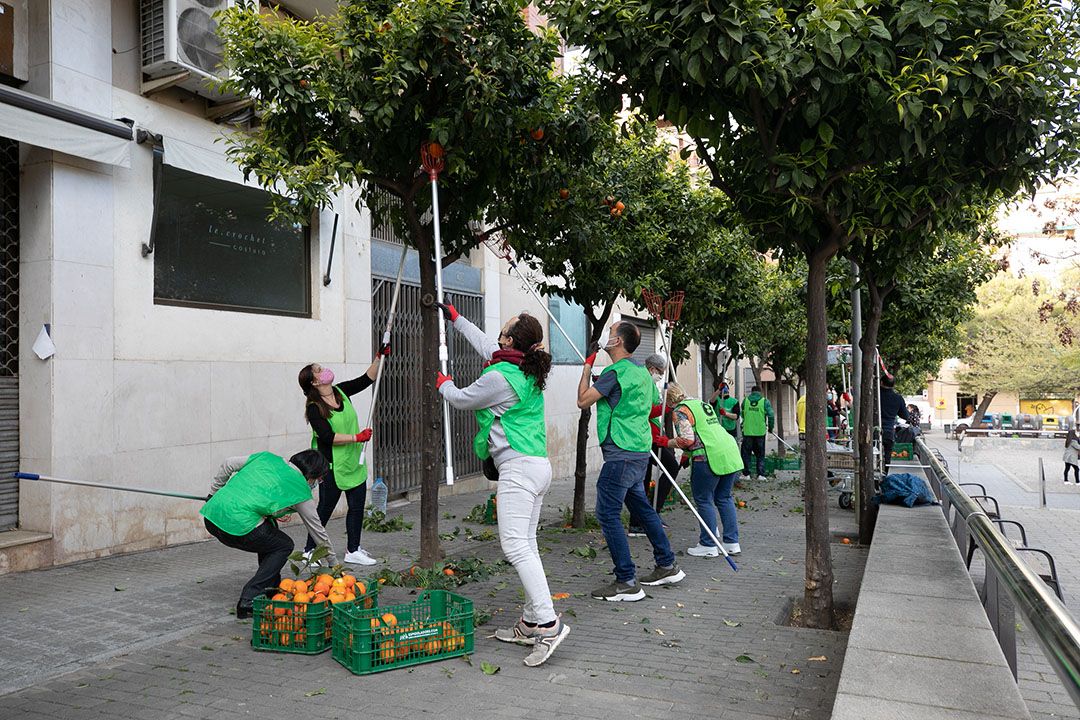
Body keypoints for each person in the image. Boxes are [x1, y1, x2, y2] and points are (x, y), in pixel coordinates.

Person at [436, 303, 569, 667]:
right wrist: (456, 318)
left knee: (515, 547)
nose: (497, 335)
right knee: (527, 545)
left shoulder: (499, 377)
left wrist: (444, 385)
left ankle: (547, 623)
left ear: (511, 340)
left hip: (519, 469)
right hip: (536, 465)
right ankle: (529, 623)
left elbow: (464, 399)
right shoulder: (521, 367)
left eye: (503, 330)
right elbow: (485, 346)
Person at [577, 320, 685, 601]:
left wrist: (588, 366)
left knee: (607, 513)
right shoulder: (641, 374)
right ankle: (666, 563)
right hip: (639, 451)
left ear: (619, 342)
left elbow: (582, 400)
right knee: (642, 506)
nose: (606, 336)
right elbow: (649, 406)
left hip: (620, 453)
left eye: (610, 333)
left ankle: (626, 580)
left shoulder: (614, 373)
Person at [201, 449, 337, 619]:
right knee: (283, 545)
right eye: (318, 479)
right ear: (311, 475)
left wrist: (213, 493)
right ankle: (248, 599)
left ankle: (271, 589)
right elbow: (317, 531)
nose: (317, 483)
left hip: (211, 516)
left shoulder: (266, 458)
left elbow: (228, 463)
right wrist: (334, 565)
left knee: (271, 534)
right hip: (238, 527)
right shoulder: (300, 488)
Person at [297, 350, 387, 567]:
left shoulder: (340, 392)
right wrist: (357, 437)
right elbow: (327, 437)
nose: (324, 370)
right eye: (319, 370)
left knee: (356, 507)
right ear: (314, 381)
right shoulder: (314, 407)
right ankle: (309, 550)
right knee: (324, 511)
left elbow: (367, 379)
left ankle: (353, 550)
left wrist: (379, 357)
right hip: (331, 467)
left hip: (353, 463)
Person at [664, 385, 744, 557]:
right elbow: (703, 431)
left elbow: (686, 439)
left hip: (707, 456)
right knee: (724, 497)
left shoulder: (680, 411)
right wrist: (687, 454)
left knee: (704, 499)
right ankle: (731, 543)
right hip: (728, 452)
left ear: (669, 401)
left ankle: (708, 544)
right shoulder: (700, 404)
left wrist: (667, 442)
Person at [626, 353, 678, 537]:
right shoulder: (642, 385)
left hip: (653, 437)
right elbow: (643, 411)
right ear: (651, 369)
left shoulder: (652, 386)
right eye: (660, 372)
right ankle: (643, 519)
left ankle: (648, 515)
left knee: (645, 478)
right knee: (654, 474)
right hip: (646, 438)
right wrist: (666, 407)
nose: (661, 376)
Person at [880, 374, 911, 475]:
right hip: (888, 431)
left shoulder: (874, 395)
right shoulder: (897, 398)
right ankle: (884, 476)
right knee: (887, 455)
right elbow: (906, 416)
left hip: (873, 430)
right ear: (893, 385)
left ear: (881, 383)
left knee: (873, 454)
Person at [740, 385, 774, 478]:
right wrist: (771, 428)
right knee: (760, 454)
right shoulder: (765, 401)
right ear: (760, 392)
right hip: (760, 432)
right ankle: (761, 474)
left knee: (746, 454)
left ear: (751, 391)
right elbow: (771, 415)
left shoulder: (745, 401)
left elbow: (742, 414)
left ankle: (746, 474)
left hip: (747, 432)